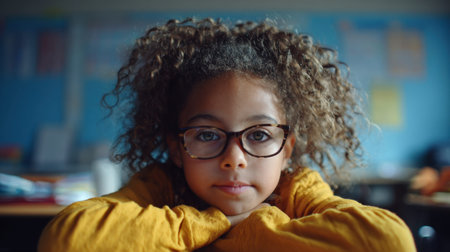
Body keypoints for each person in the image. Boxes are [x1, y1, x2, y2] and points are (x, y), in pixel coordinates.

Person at [38, 17, 416, 251]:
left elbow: (387, 242)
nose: (234, 157)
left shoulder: (295, 190)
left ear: (287, 149)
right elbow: (68, 240)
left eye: (260, 135)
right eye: (206, 134)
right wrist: (213, 223)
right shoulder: (162, 185)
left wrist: (248, 230)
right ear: (176, 148)